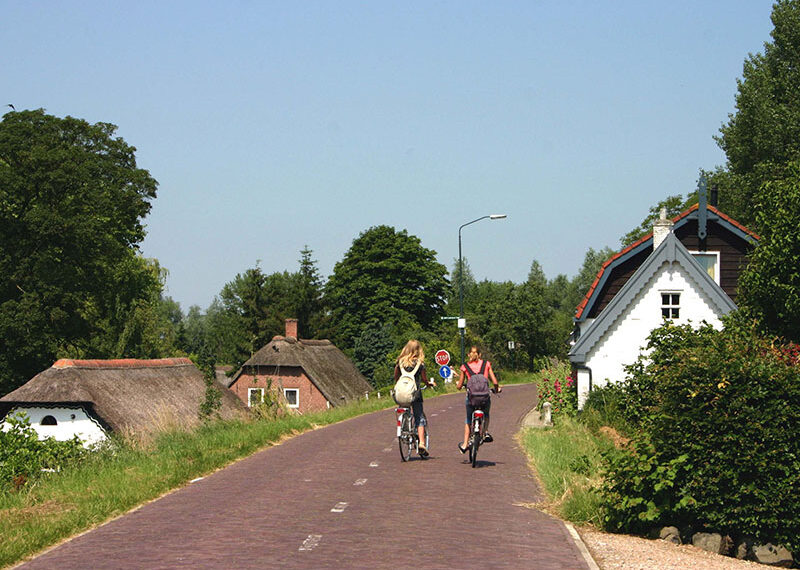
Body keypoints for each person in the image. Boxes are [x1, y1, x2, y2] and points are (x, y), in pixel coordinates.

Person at [394, 340, 436, 457]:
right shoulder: (420, 364)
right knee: (419, 417)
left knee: (404, 409)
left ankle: (405, 430)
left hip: (401, 394)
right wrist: (428, 384)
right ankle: (422, 443)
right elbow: (424, 379)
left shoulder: (400, 362)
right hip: (415, 394)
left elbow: (396, 376)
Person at [456, 345, 501, 454]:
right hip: (484, 397)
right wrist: (496, 389)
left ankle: (465, 444)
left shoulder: (464, 367)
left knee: (468, 419)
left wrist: (458, 384)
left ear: (468, 355)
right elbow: (495, 382)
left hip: (471, 398)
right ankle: (485, 432)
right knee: (486, 414)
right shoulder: (486, 364)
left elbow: (459, 385)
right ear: (480, 354)